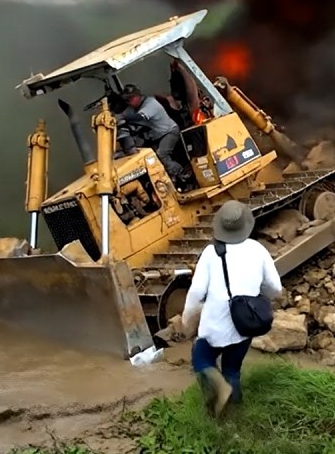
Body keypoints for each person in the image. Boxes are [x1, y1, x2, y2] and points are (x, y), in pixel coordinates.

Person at [181, 200, 283, 417]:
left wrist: (187, 316)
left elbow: (197, 291)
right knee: (232, 370)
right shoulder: (258, 249)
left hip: (214, 325)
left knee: (201, 360)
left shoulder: (210, 253)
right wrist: (258, 295)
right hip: (245, 323)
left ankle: (217, 394)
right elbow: (275, 288)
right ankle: (235, 415)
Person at [117, 83, 183, 180]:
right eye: (126, 100)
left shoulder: (150, 103)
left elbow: (139, 117)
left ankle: (181, 173)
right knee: (143, 155)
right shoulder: (132, 108)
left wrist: (124, 119)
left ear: (138, 96)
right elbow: (121, 116)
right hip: (155, 136)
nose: (128, 102)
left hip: (169, 132)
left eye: (131, 99)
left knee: (161, 154)